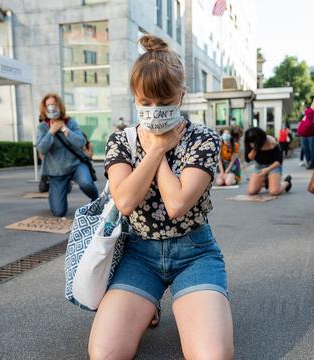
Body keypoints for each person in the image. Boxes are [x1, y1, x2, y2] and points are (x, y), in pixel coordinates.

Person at [90, 35, 233, 359]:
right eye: (146, 102)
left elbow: (177, 204)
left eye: (164, 101)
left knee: (212, 356)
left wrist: (161, 152)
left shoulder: (202, 138)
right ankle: (148, 300)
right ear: (135, 98)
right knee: (106, 354)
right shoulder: (121, 140)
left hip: (194, 252)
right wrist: (156, 149)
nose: (154, 110)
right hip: (138, 255)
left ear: (181, 95)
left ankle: (201, 299)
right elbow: (125, 201)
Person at [36, 93, 99, 217]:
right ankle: (62, 189)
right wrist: (51, 132)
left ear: (59, 106)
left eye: (54, 104)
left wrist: (65, 130)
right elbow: (41, 149)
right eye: (48, 105)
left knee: (86, 183)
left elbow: (81, 142)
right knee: (58, 212)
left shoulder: (70, 123)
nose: (51, 108)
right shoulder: (43, 127)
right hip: (56, 171)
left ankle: (97, 201)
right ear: (44, 108)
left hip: (76, 165)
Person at [244, 127, 292, 196]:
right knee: (252, 191)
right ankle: (267, 181)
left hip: (273, 166)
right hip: (260, 166)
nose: (251, 144)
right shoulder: (250, 142)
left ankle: (286, 183)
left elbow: (279, 161)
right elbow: (247, 159)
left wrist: (267, 170)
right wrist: (255, 148)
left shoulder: (271, 142)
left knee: (274, 191)